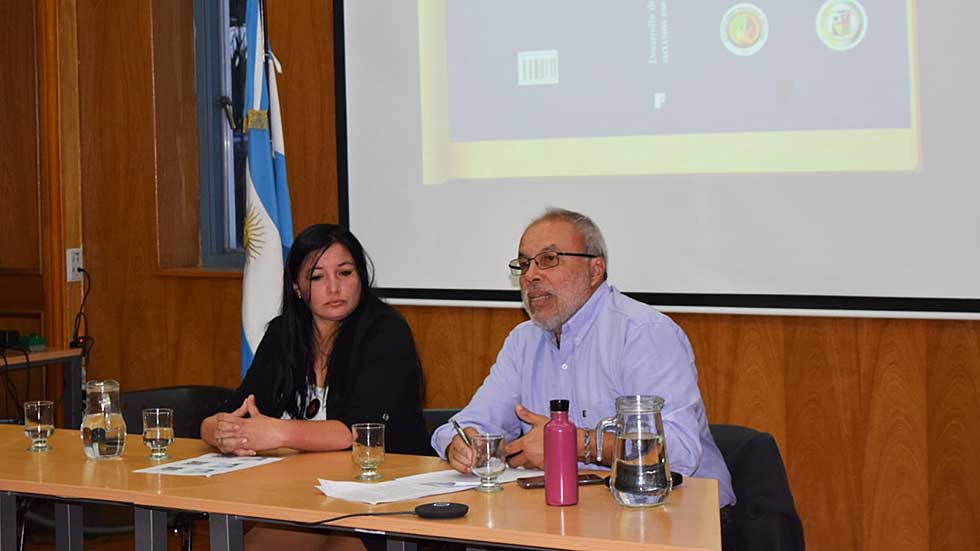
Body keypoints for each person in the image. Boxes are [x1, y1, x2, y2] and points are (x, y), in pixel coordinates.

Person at [431, 208, 736, 510]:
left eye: (549, 260)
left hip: (673, 516)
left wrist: (576, 445)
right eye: (524, 265)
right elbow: (468, 424)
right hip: (568, 517)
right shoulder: (524, 341)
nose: (531, 276)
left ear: (595, 270)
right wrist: (462, 443)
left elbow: (678, 453)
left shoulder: (643, 333)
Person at [201, 223, 430, 456]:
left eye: (345, 273)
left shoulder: (386, 332)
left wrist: (279, 433)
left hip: (383, 477)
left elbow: (356, 431)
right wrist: (221, 434)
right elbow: (231, 413)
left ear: (361, 276)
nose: (334, 287)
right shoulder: (283, 333)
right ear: (296, 287)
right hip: (298, 482)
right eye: (317, 277)